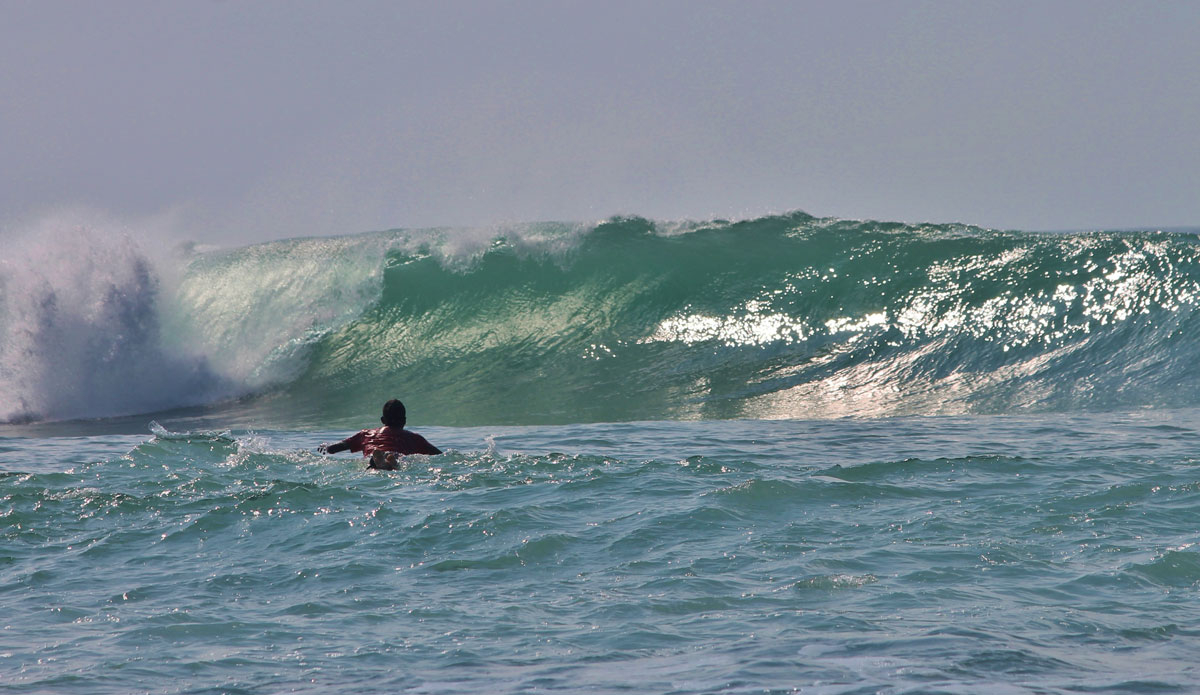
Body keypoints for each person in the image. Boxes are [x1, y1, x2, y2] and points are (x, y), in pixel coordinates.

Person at [318, 399, 441, 469]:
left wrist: (326, 446)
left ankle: (379, 460)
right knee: (398, 462)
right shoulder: (414, 438)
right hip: (398, 455)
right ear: (404, 421)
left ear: (383, 420)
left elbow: (334, 449)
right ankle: (390, 462)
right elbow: (440, 456)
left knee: (372, 466)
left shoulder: (366, 434)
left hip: (373, 457)